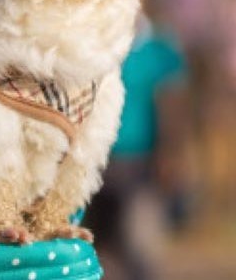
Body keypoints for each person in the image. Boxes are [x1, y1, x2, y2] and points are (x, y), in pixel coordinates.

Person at [85, 14, 191, 280]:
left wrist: (171, 155)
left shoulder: (159, 48)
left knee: (137, 244)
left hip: (141, 163)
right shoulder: (91, 42)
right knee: (93, 248)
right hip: (91, 162)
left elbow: (173, 104)